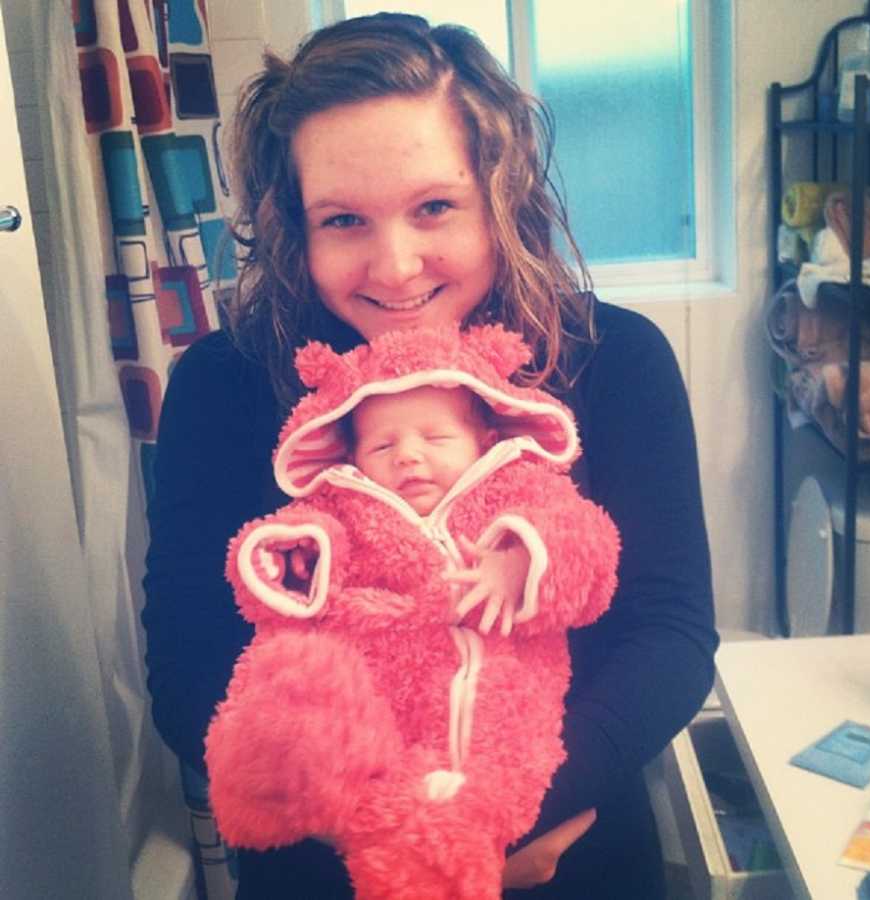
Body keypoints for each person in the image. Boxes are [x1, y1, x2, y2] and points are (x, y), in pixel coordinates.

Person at [141, 11, 718, 898]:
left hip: (571, 849)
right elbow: (188, 670)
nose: (397, 266)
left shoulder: (615, 360)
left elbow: (672, 634)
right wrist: (384, 833)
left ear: (504, 191)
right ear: (294, 226)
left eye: (434, 206)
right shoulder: (225, 385)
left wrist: (484, 821)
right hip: (326, 871)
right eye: (343, 220)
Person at [203, 323, 622, 899]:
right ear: (350, 456)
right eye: (383, 445)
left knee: (474, 812)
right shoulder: (345, 505)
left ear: (484, 437)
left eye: (435, 437)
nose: (408, 456)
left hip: (503, 723)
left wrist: (522, 562)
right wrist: (295, 559)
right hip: (382, 723)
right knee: (296, 683)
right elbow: (292, 543)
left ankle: (439, 866)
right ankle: (278, 777)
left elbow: (589, 547)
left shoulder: (521, 490)